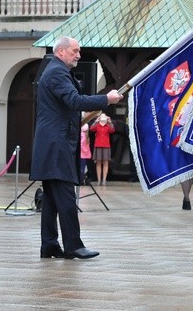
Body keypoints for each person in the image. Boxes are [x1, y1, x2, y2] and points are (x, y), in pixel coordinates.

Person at [30, 36, 123, 260]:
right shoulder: (57, 72)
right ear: (61, 51)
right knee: (66, 198)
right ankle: (73, 246)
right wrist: (106, 99)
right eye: (75, 51)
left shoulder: (55, 70)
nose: (79, 55)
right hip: (56, 145)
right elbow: (74, 100)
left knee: (51, 199)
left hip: (53, 143)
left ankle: (50, 245)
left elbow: (67, 105)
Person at [90, 113, 115, 185]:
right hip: (98, 145)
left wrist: (110, 122)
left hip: (106, 146)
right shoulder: (97, 125)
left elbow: (112, 130)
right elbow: (92, 129)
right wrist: (96, 121)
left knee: (105, 163)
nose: (103, 118)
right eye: (101, 117)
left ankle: (104, 180)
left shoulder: (108, 126)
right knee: (98, 163)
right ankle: (99, 180)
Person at [80, 112, 92, 185]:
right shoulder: (85, 125)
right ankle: (81, 177)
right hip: (82, 146)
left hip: (83, 146)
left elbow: (87, 136)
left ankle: (82, 178)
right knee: (81, 164)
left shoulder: (86, 125)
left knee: (82, 164)